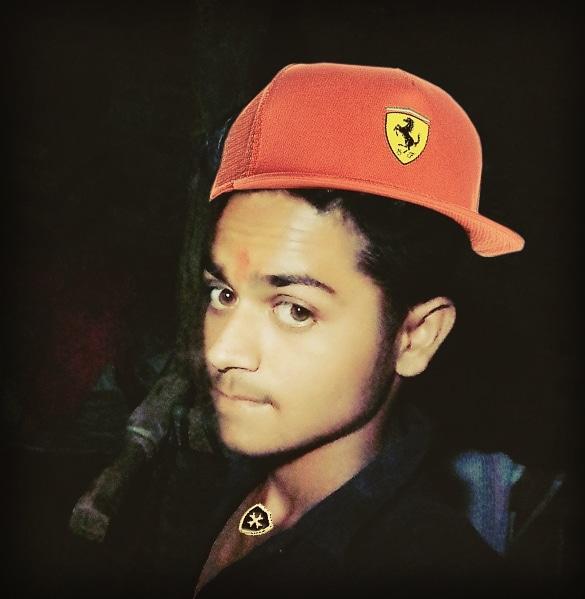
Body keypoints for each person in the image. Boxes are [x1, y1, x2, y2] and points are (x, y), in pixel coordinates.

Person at [134, 62, 525, 598]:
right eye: (223, 294)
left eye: (295, 310)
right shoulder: (237, 483)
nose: (222, 350)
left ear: (416, 336)